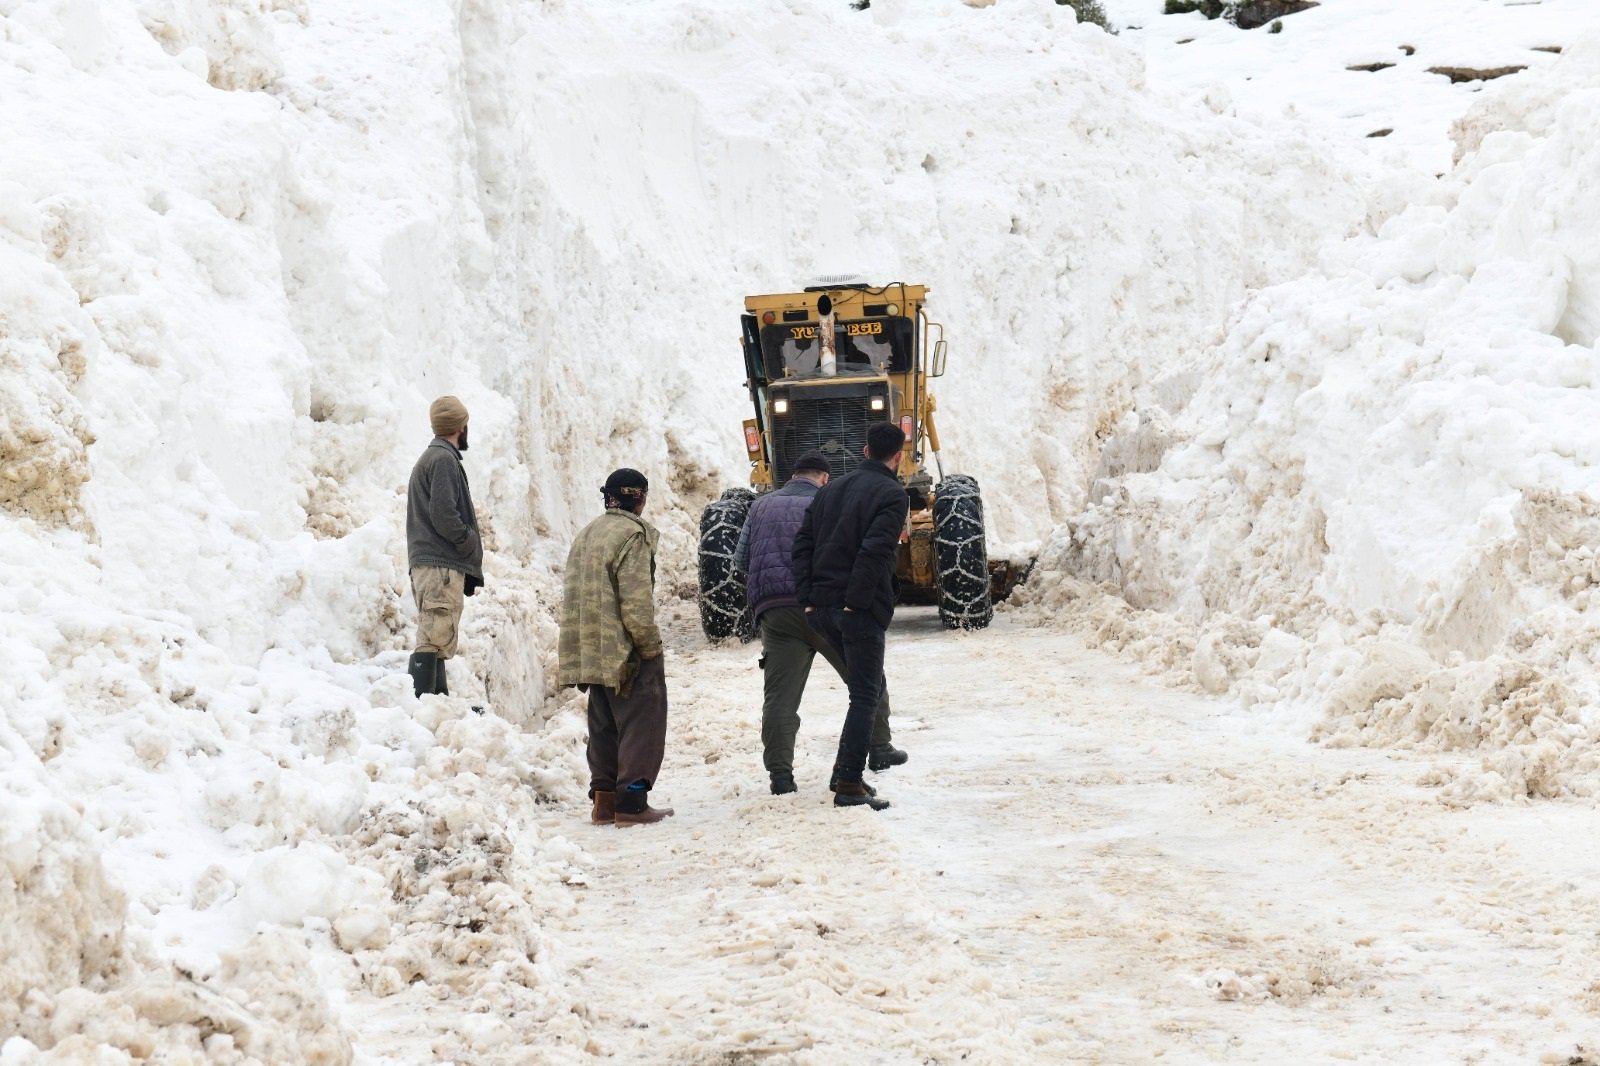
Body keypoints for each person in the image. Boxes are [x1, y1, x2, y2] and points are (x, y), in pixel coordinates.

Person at [733, 450, 906, 796]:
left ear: (792, 476)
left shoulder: (760, 506)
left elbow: (741, 561)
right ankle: (879, 746)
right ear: (825, 478)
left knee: (780, 698)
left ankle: (780, 777)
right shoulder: (830, 502)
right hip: (822, 606)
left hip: (775, 611)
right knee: (866, 681)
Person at [792, 422, 910, 811]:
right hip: (856, 611)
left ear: (864, 451)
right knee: (865, 695)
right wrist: (857, 604)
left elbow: (803, 544)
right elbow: (875, 551)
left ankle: (843, 770)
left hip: (820, 609)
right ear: (898, 456)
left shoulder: (831, 489)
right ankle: (849, 784)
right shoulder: (892, 494)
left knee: (866, 689)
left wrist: (808, 598)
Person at [558, 469, 675, 827]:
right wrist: (649, 647)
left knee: (604, 724)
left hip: (589, 648)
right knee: (643, 719)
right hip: (623, 649)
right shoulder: (632, 536)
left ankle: (605, 802)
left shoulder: (587, 533)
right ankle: (632, 803)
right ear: (639, 498)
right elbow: (636, 604)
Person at [406, 395, 483, 699]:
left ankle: (436, 704)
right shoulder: (443, 460)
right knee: (434, 635)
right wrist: (468, 541)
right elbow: (444, 514)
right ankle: (422, 705)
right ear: (461, 427)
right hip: (440, 565)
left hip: (431, 563)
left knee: (436, 635)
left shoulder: (433, 458)